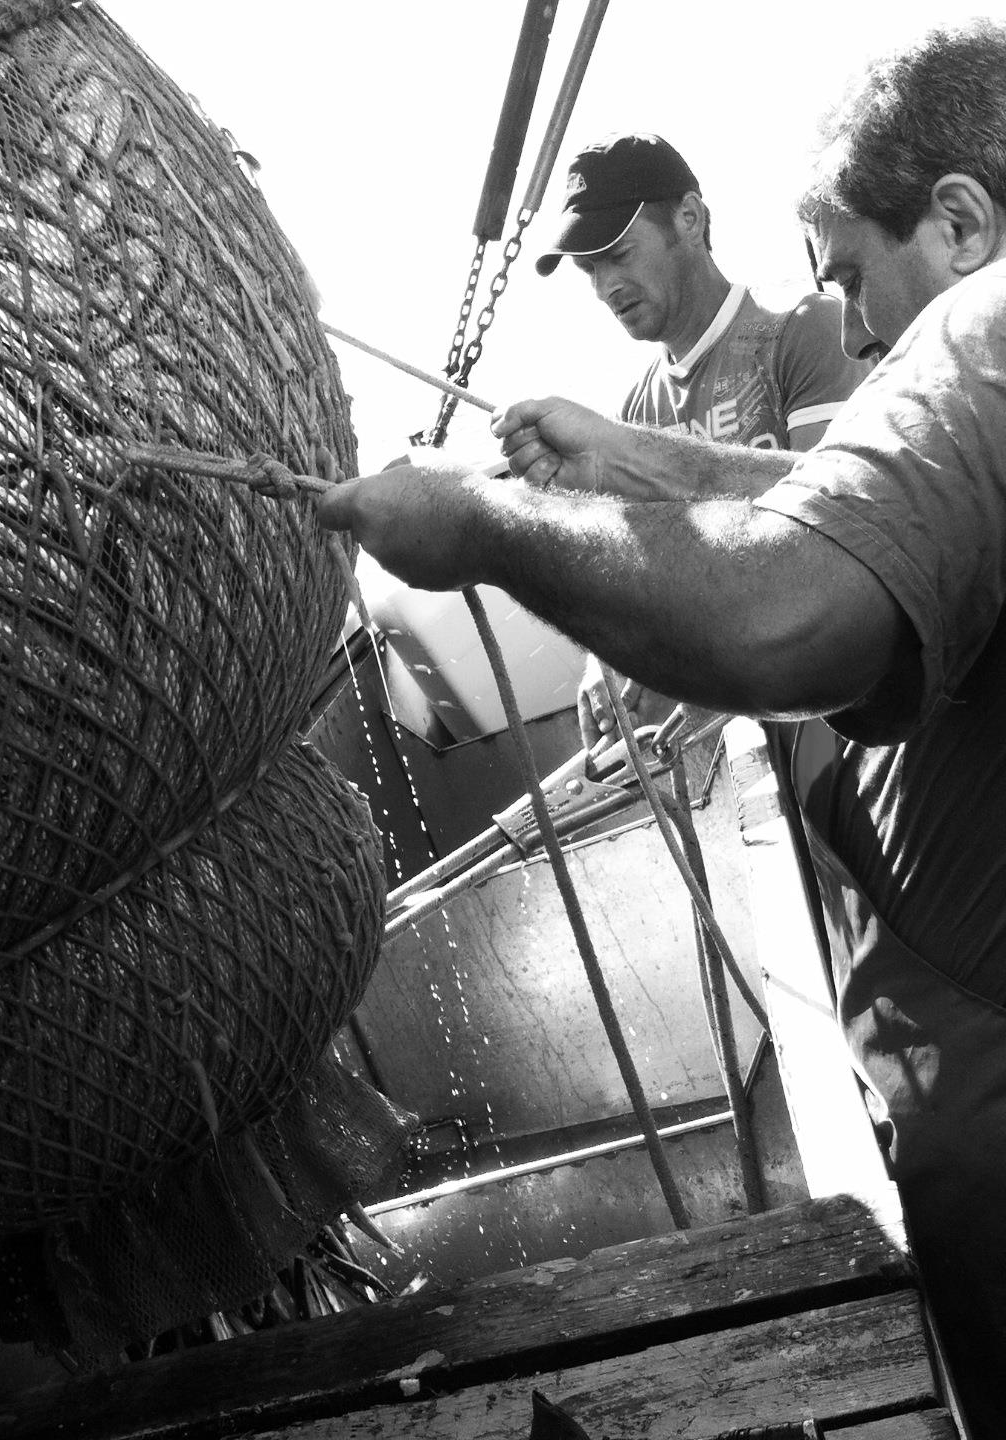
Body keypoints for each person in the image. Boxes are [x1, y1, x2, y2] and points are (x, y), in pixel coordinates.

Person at [319, 19, 1006, 1433]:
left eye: (863, 282)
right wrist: (639, 464)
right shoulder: (927, 363)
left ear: (960, 222)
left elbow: (794, 599)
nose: (869, 330)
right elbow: (832, 495)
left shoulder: (969, 338)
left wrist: (484, 528)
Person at [533, 131, 871, 746]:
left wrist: (711, 670)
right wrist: (604, 661)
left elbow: (841, 525)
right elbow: (633, 578)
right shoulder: (633, 413)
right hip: (752, 743)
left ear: (689, 218)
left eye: (620, 254)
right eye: (590, 269)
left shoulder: (804, 331)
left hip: (852, 723)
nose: (606, 286)